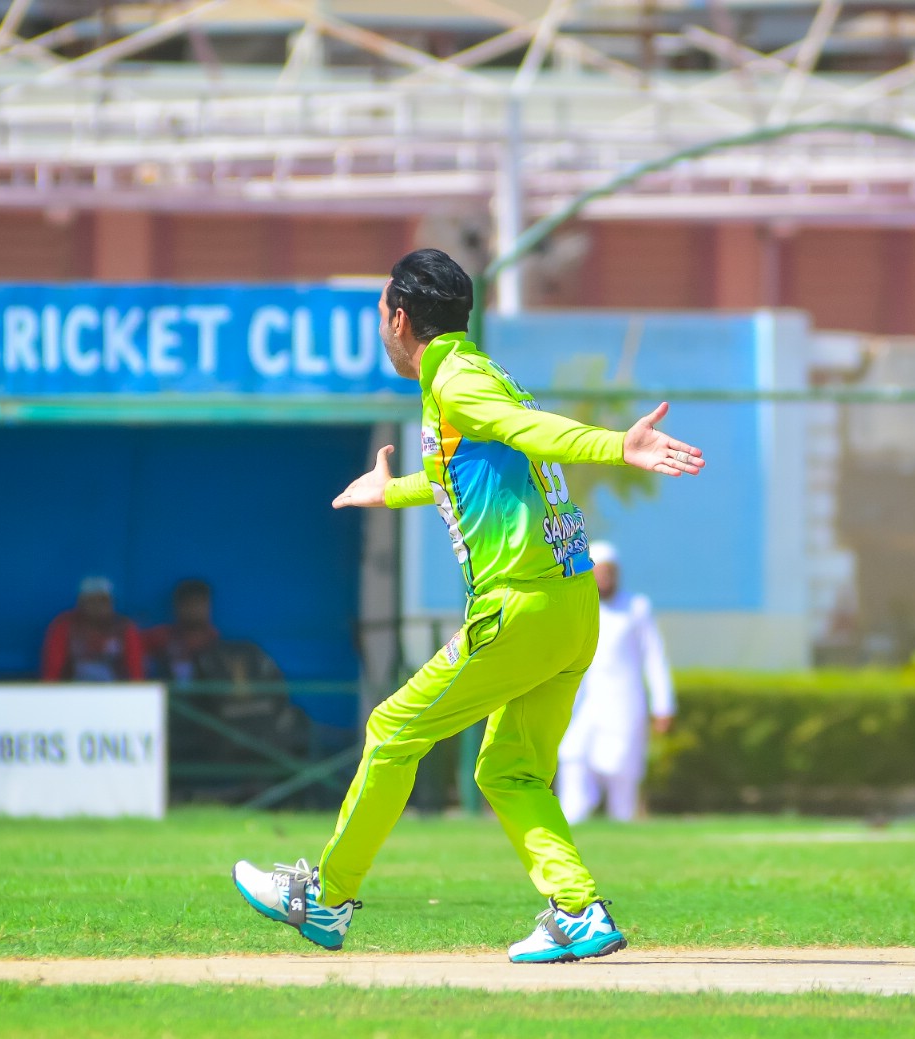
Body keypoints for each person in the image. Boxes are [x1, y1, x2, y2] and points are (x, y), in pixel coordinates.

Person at [231, 248, 703, 962]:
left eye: (381, 315)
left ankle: (326, 899)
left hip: (520, 607)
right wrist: (393, 491)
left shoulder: (454, 380)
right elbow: (474, 471)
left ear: (399, 319)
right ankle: (579, 912)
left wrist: (617, 446)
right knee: (509, 770)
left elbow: (527, 433)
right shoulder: (475, 371)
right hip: (570, 606)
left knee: (391, 730)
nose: (381, 329)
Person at [557, 542, 676, 824]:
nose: (604, 577)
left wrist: (663, 706)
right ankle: (570, 823)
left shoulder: (636, 608)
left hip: (623, 704)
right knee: (573, 757)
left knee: (620, 770)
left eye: (608, 572)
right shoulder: (577, 607)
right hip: (583, 704)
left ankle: (622, 828)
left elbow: (655, 659)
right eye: (599, 571)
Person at [40, 577, 144, 682]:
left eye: (103, 601)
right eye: (92, 601)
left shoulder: (124, 628)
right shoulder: (65, 627)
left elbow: (136, 672)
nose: (98, 606)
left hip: (115, 689)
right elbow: (52, 672)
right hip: (74, 689)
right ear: (81, 603)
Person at [143, 579, 220, 682]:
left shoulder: (215, 640)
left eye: (200, 603)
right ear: (177, 606)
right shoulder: (162, 637)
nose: (195, 610)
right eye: (189, 604)